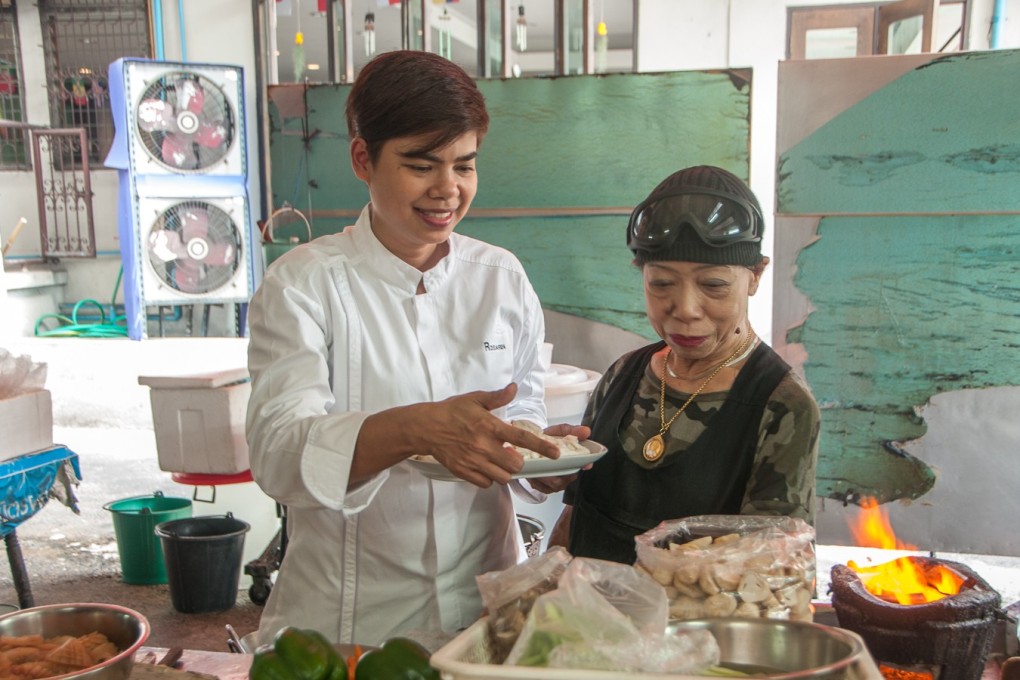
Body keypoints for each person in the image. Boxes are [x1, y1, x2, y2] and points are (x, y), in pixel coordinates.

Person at [245, 50, 582, 647]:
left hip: (486, 618)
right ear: (362, 159)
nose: (447, 190)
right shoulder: (304, 285)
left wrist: (541, 459)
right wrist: (417, 429)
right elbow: (278, 453)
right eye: (421, 165)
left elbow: (521, 412)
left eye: (465, 165)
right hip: (349, 631)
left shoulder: (501, 278)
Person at [548, 165, 820, 565]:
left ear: (756, 276)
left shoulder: (779, 404)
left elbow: (774, 567)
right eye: (661, 284)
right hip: (586, 621)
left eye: (714, 285)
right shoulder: (624, 375)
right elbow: (575, 518)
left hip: (694, 626)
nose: (686, 310)